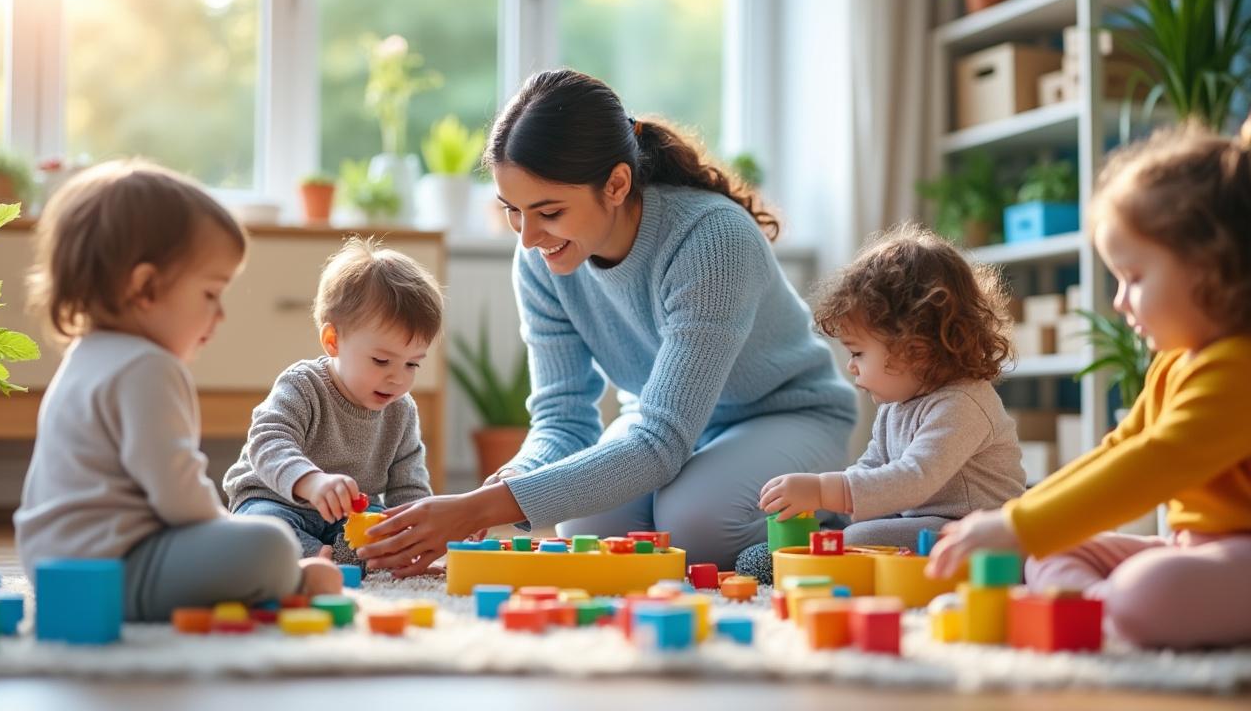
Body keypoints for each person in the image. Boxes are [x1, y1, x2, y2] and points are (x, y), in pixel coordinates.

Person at [358, 68, 855, 576]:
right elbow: (564, 416)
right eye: (513, 210)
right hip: (666, 425)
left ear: (616, 184)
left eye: (548, 211)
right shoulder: (539, 260)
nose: (528, 237)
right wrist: (509, 481)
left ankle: (835, 514)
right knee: (588, 528)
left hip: (784, 416)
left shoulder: (713, 241)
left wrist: (478, 509)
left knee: (694, 525)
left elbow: (660, 441)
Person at [928, 121, 1251, 649]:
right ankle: (1102, 612)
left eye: (1135, 278)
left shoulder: (1239, 369)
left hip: (1235, 554)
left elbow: (1153, 461)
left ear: (1212, 268)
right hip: (1191, 546)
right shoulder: (1175, 361)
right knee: (1053, 551)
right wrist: (1019, 521)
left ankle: (1115, 611)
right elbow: (1121, 445)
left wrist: (1018, 527)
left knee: (1147, 589)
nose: (1120, 301)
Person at [14, 159, 341, 621]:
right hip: (119, 569)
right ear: (146, 287)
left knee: (258, 538)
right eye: (210, 294)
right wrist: (239, 537)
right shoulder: (149, 367)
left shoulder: (85, 355)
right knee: (270, 541)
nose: (220, 314)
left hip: (51, 567)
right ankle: (298, 579)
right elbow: (180, 497)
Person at [734, 224, 1024, 583]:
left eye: (858, 352)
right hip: (918, 519)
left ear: (914, 348)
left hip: (974, 527)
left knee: (857, 535)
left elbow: (915, 478)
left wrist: (825, 489)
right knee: (851, 522)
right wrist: (825, 497)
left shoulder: (963, 403)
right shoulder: (896, 405)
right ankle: (814, 551)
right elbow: (873, 464)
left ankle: (828, 554)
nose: (851, 365)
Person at [223, 237, 440, 565]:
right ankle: (313, 555)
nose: (398, 378)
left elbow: (409, 486)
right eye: (381, 361)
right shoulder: (303, 385)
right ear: (333, 341)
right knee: (260, 531)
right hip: (276, 501)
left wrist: (420, 530)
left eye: (412, 364)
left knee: (383, 531)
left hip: (347, 519)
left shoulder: (402, 410)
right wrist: (312, 482)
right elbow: (267, 442)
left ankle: (329, 556)